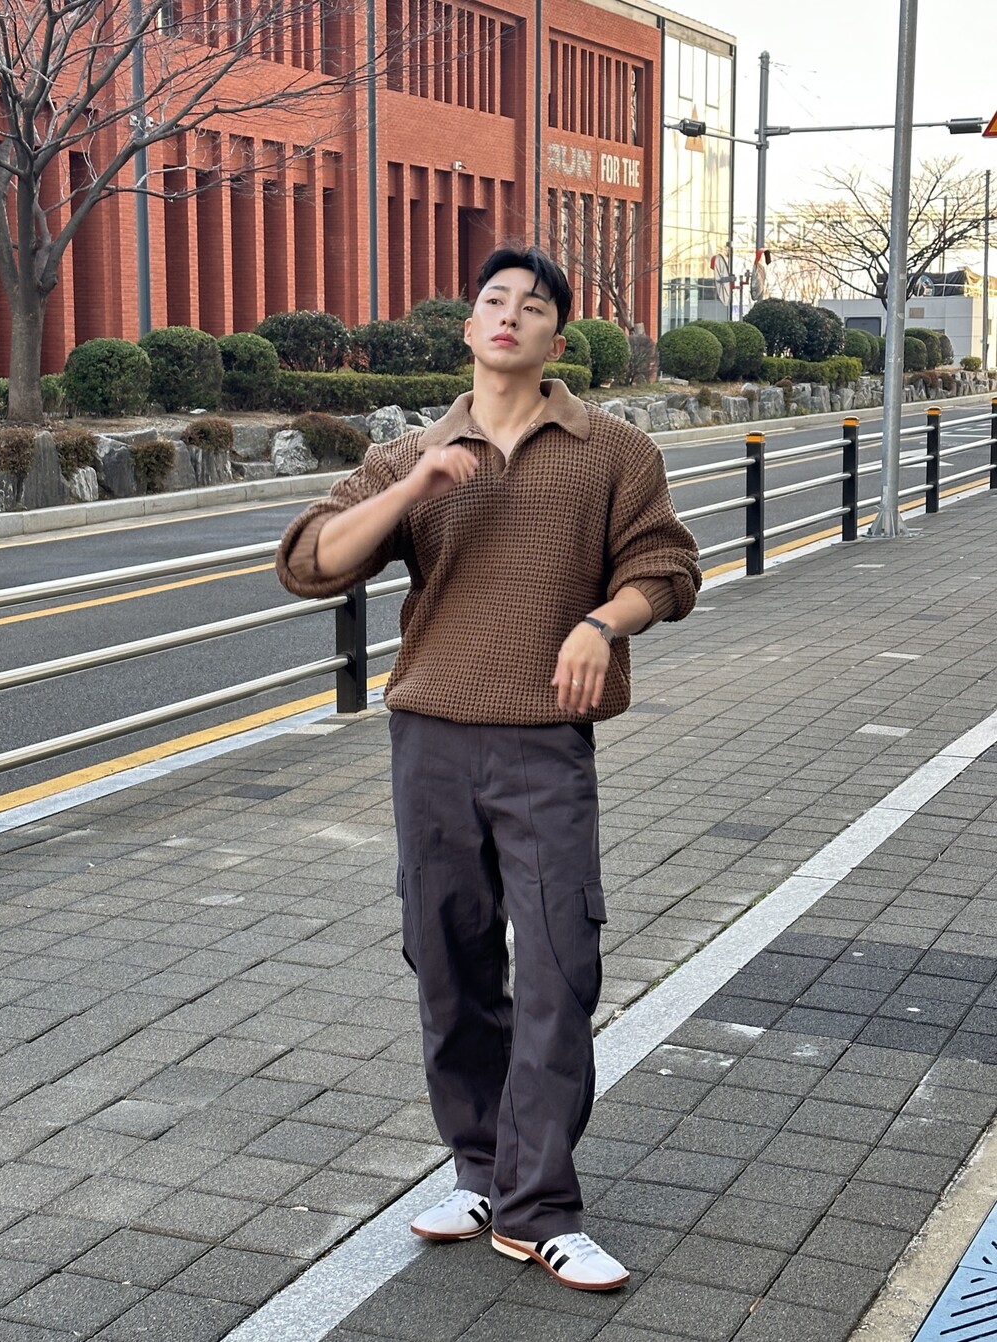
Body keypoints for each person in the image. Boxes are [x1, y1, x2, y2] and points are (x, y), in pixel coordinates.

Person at [275, 245, 700, 1291]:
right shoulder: (411, 454)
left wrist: (602, 623)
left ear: (558, 337)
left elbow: (667, 566)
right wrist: (418, 484)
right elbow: (309, 561)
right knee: (448, 961)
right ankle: (480, 1167)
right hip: (430, 738)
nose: (510, 315)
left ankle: (539, 1206)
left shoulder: (611, 450)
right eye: (494, 301)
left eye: (533, 305)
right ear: (469, 330)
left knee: (559, 962)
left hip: (543, 741)